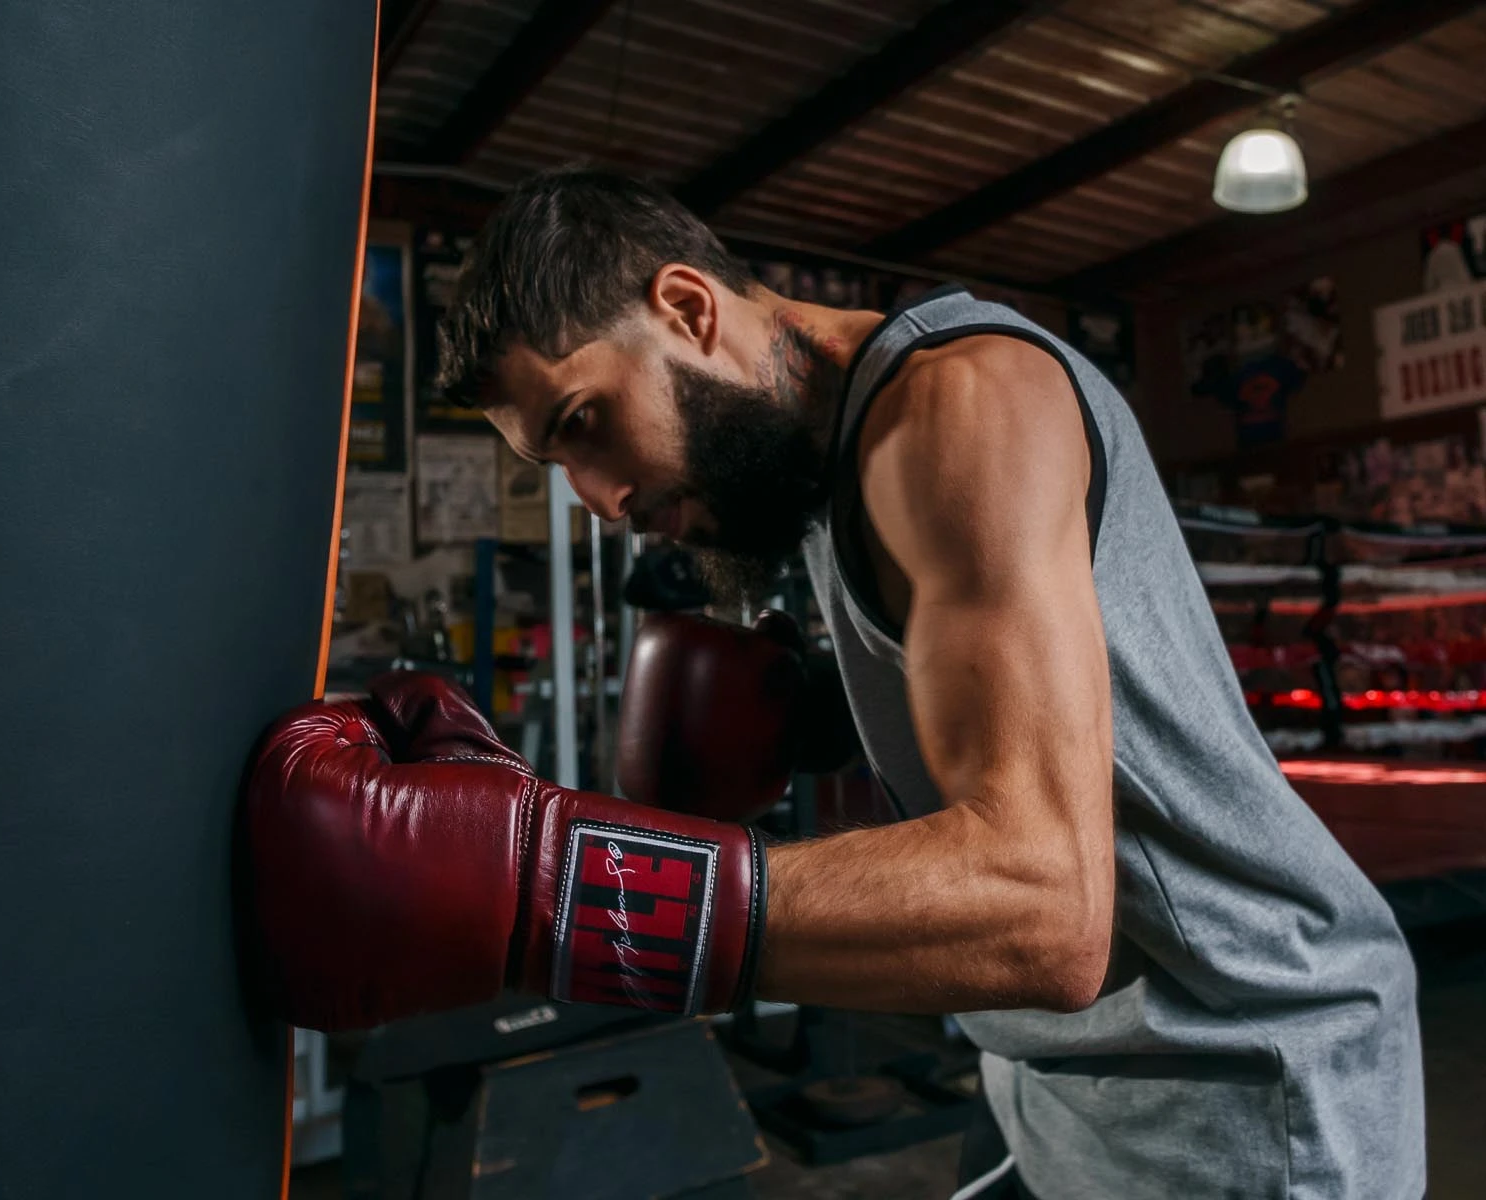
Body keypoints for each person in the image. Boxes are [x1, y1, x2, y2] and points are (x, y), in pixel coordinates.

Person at [247, 169, 1423, 1199]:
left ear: (688, 309)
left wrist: (559, 889)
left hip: (1245, 1077)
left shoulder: (959, 412)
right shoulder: (817, 477)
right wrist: (820, 711)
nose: (599, 501)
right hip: (1063, 1080)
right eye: (557, 466)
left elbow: (1043, 911)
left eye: (586, 422)